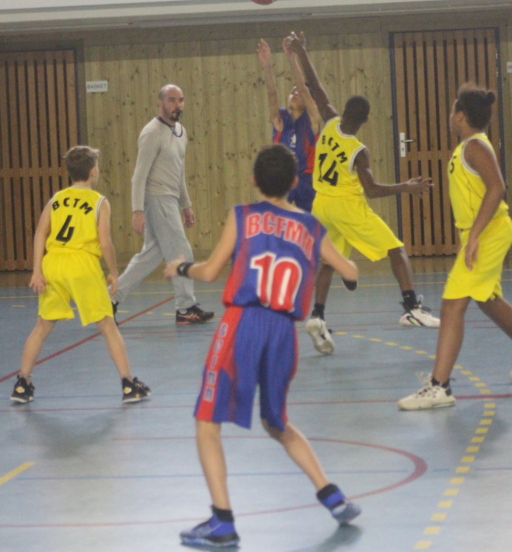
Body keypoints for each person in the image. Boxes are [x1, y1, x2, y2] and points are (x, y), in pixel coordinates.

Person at [164, 144, 362, 549]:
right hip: (284, 333)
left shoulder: (243, 216)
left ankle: (222, 522)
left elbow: (210, 272)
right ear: (294, 183)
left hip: (243, 324)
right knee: (277, 423)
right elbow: (351, 271)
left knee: (207, 421)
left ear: (254, 180)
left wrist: (180, 266)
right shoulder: (310, 227)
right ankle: (333, 497)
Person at [286, 33, 439, 356]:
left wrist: (301, 51)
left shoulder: (330, 122)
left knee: (329, 261)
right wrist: (406, 187)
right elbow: (370, 190)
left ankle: (317, 315)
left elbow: (315, 86)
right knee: (396, 249)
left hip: (321, 205)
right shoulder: (359, 150)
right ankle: (411, 307)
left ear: (343, 111)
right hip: (347, 206)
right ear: (366, 120)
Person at [398, 85, 512, 410]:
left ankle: (440, 387)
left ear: (460, 116)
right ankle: (440, 386)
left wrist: (474, 235)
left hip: (488, 232)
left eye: (452, 111)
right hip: (483, 233)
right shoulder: (467, 147)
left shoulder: (475, 146)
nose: (450, 117)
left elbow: (497, 188)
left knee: (451, 304)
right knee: (488, 301)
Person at [11, 146, 150, 406]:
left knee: (42, 326)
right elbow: (105, 242)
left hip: (53, 264)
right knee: (107, 325)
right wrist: (114, 271)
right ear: (93, 171)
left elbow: (40, 233)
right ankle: (128, 384)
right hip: (82, 264)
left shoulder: (56, 199)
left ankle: (22, 383)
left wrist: (37, 270)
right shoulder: (99, 202)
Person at [113, 84, 214, 325]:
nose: (177, 105)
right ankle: (185, 308)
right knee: (181, 252)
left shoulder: (181, 131)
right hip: (156, 199)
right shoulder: (152, 133)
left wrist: (186, 204)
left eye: (180, 100)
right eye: (171, 100)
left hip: (170, 199)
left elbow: (178, 172)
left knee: (150, 255)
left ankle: (111, 299)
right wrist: (137, 211)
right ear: (160, 103)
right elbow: (139, 175)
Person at [258, 36, 321, 212]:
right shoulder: (281, 120)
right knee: (275, 217)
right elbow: (272, 94)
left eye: (298, 92)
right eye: (292, 91)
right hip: (283, 177)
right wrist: (267, 66)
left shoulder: (312, 119)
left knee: (310, 222)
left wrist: (292, 59)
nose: (295, 93)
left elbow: (303, 89)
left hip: (307, 180)